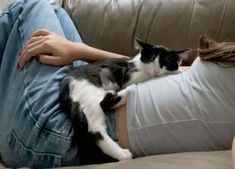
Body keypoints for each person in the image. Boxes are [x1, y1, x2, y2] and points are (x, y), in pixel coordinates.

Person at [0, 0, 234, 168]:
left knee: (27, 7)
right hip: (86, 97)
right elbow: (150, 70)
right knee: (57, 14)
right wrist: (76, 51)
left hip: (66, 134)